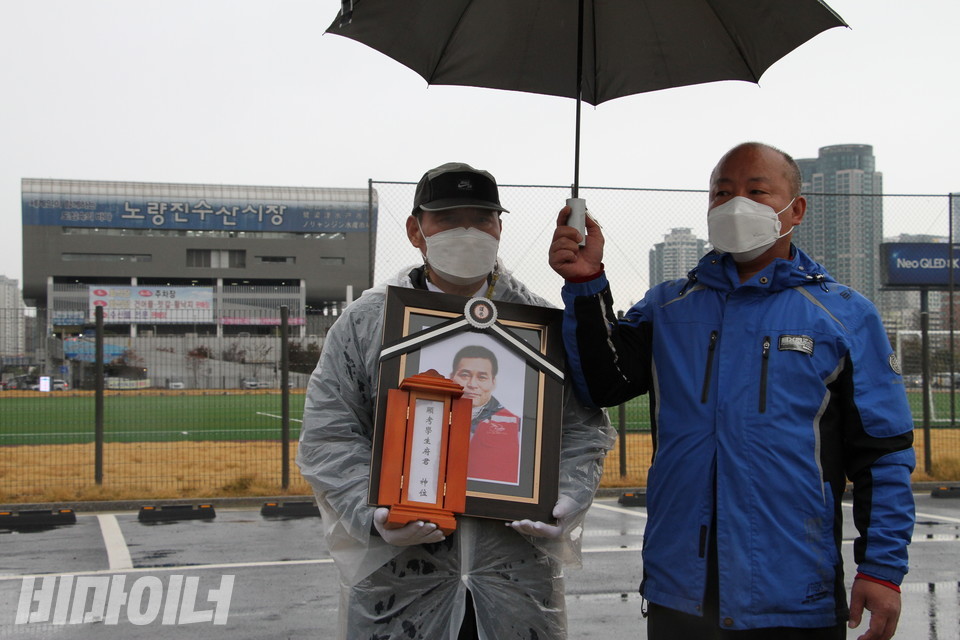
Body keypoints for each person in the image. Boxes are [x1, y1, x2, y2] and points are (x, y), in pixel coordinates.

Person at [548, 142, 916, 640]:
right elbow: (601, 383)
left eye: (756, 191)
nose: (735, 203)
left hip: (794, 594)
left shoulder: (845, 315)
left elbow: (883, 455)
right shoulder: (668, 307)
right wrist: (587, 283)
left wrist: (882, 569)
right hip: (680, 592)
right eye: (721, 192)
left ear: (796, 209)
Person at [298, 162, 615, 639]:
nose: (468, 232)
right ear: (415, 229)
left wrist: (566, 493)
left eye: (482, 219)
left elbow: (581, 428)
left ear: (500, 228)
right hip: (400, 586)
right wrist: (373, 511)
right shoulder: (368, 322)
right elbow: (330, 430)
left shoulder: (541, 326)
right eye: (448, 219)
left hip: (517, 582)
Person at [449, 344, 521, 484]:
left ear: (493, 382)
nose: (472, 384)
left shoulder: (517, 426)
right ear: (452, 377)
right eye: (464, 375)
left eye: (482, 377)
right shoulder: (433, 414)